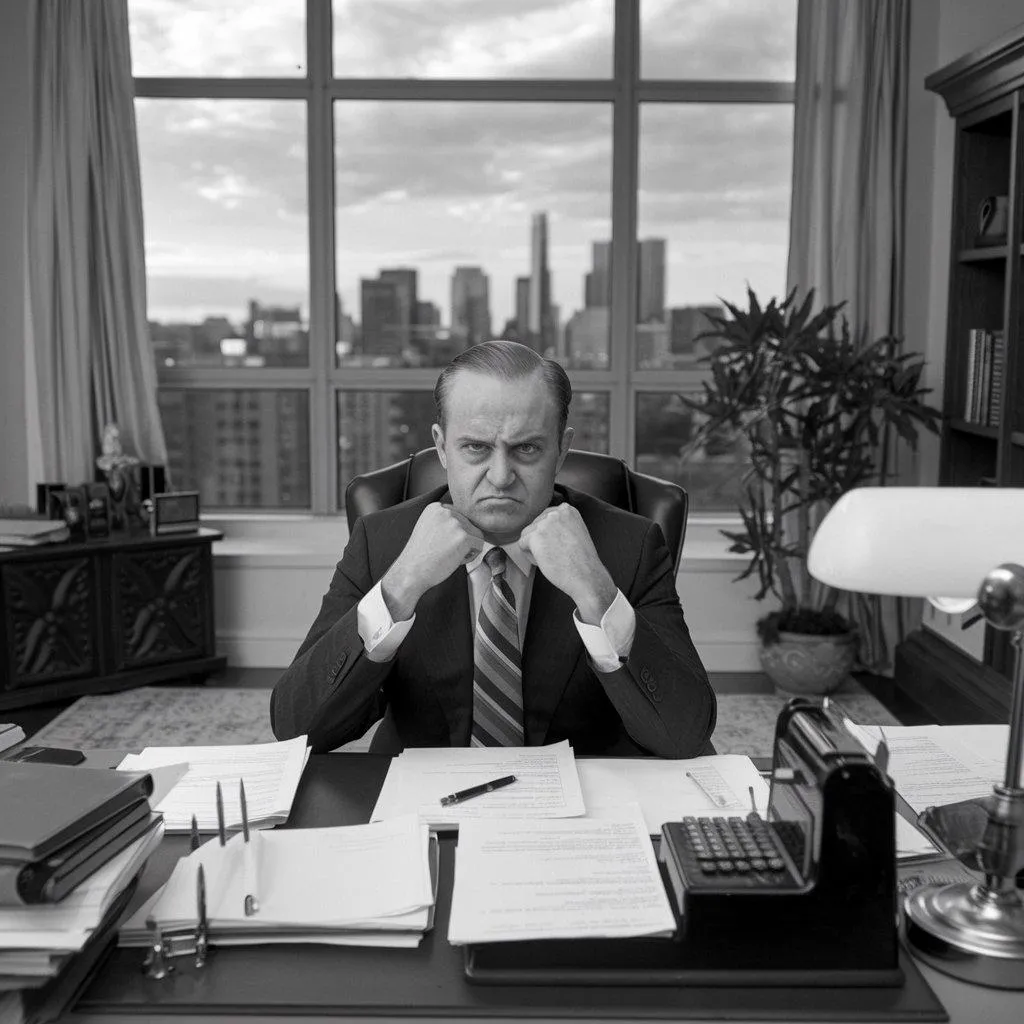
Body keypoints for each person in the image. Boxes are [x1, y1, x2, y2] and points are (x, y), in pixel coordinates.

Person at [271, 341, 716, 758]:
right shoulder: (382, 541)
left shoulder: (630, 545)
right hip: (420, 799)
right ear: (441, 447)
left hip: (581, 799)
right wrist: (399, 587)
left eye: (527, 448)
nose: (500, 477)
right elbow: (297, 727)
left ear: (561, 450)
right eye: (476, 448)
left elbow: (685, 735)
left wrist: (598, 594)